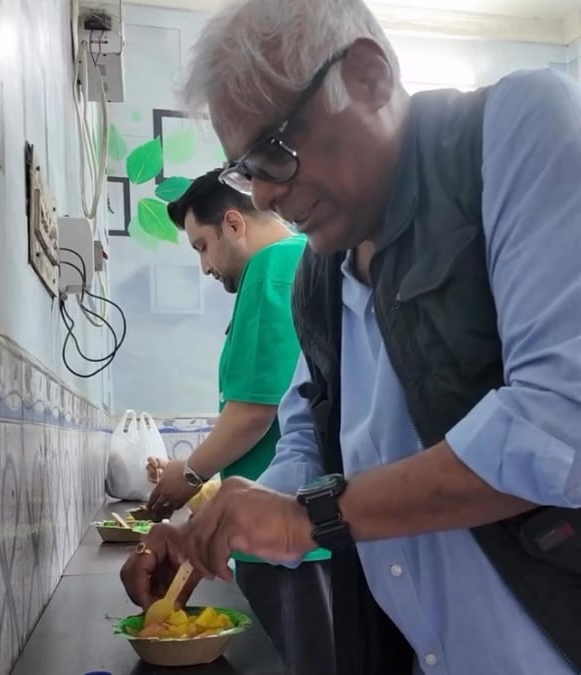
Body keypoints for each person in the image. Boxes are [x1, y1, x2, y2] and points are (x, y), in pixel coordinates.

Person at [119, 1, 581, 674]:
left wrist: (310, 518)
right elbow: (306, 444)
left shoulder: (512, 132)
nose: (264, 196)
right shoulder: (318, 276)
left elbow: (559, 424)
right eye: (246, 170)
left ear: (368, 76)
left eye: (273, 150)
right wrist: (205, 531)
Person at [143, 168, 334, 675]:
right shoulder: (301, 262)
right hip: (295, 521)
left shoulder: (271, 266)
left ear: (233, 224)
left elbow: (254, 411)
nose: (205, 266)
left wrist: (188, 475)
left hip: (282, 532)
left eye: (202, 246)